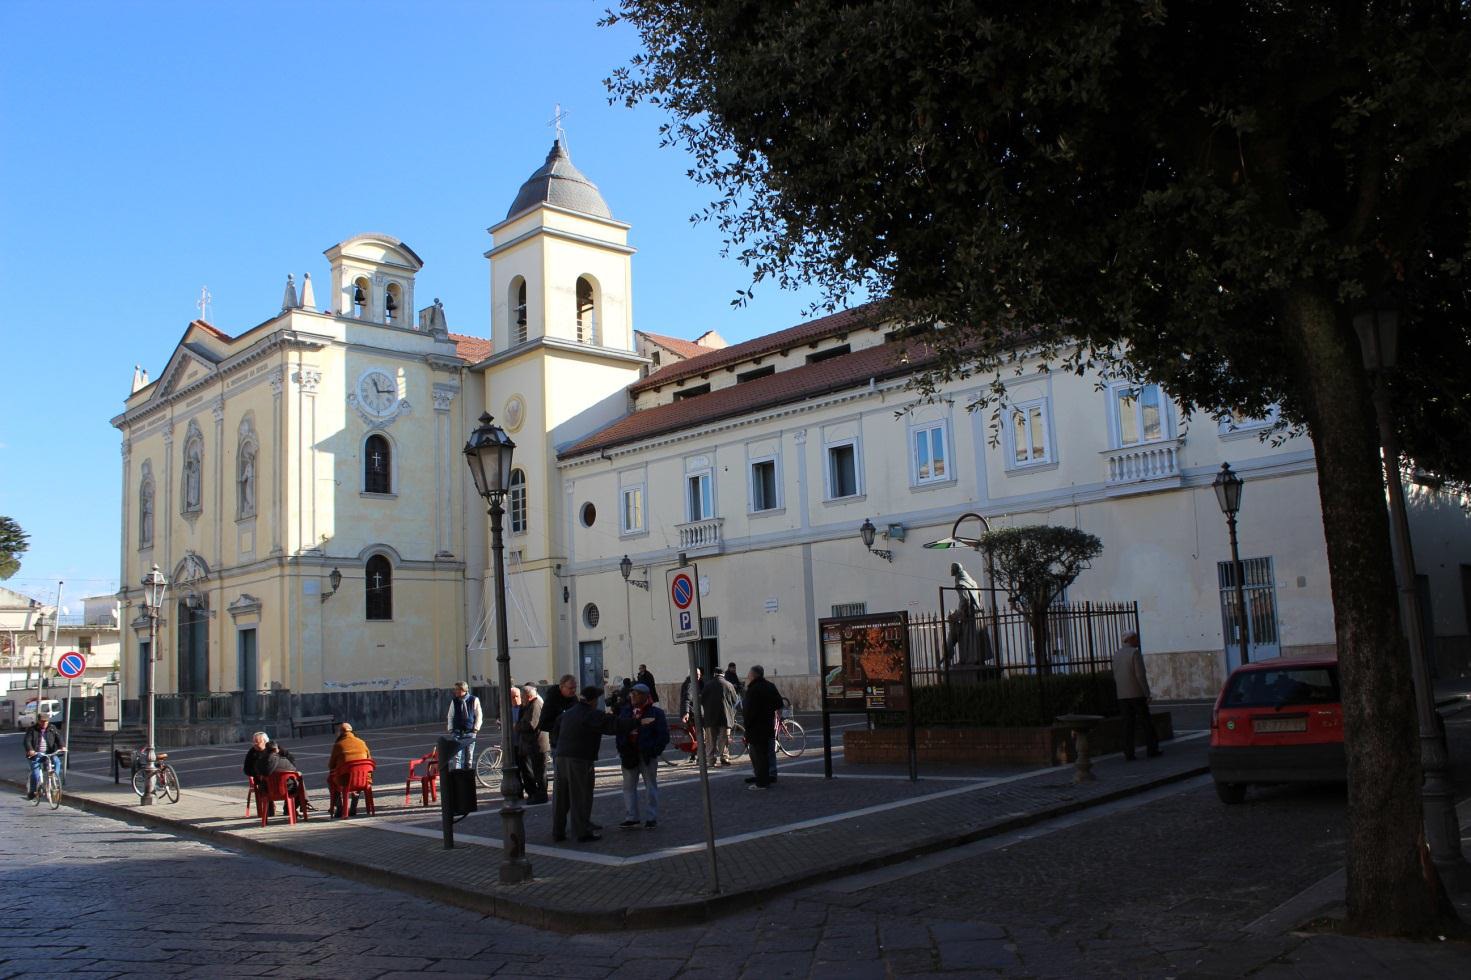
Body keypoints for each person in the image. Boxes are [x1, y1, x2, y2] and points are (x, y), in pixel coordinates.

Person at [551, 685, 615, 843]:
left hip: (561, 756)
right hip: (579, 759)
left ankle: (558, 832)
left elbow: (555, 729)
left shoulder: (570, 712)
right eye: (597, 699)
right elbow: (612, 726)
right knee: (581, 795)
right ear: (592, 700)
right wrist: (636, 723)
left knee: (561, 797)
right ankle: (581, 831)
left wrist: (557, 745)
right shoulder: (590, 714)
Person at [615, 683, 669, 829]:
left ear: (645, 696)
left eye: (636, 694)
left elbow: (663, 736)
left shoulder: (656, 713)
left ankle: (651, 817)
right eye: (631, 694)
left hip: (647, 755)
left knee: (650, 786)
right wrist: (622, 748)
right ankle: (631, 817)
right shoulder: (626, 711)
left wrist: (653, 750)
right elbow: (619, 730)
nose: (632, 696)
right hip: (629, 754)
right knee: (628, 787)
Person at [1112, 631, 1161, 760]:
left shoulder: (1116, 655)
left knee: (1128, 724)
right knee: (1146, 722)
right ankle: (1152, 749)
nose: (1137, 641)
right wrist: (1146, 693)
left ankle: (1129, 752)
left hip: (1122, 694)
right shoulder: (1135, 653)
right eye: (1136, 638)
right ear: (1131, 639)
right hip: (1136, 693)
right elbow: (1140, 675)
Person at [742, 665, 784, 790]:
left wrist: (747, 726)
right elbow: (779, 703)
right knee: (766, 753)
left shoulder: (753, 689)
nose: (748, 676)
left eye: (749, 674)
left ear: (754, 675)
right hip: (767, 725)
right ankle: (766, 776)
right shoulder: (770, 686)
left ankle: (762, 781)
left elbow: (749, 711)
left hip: (755, 728)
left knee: (758, 756)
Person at [327, 722, 373, 817]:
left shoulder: (338, 745)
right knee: (360, 774)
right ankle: (353, 807)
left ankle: (339, 808)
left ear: (340, 733)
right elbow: (370, 760)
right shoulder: (362, 742)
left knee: (330, 779)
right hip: (363, 780)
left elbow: (331, 765)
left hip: (345, 781)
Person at [517, 683, 551, 804]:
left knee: (539, 772)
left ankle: (541, 795)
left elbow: (531, 725)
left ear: (528, 696)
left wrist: (517, 726)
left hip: (537, 745)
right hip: (530, 744)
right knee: (530, 771)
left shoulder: (536, 705)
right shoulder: (528, 705)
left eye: (522, 696)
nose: (521, 698)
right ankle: (534, 794)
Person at [700, 669, 739, 766]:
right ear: (723, 674)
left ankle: (711, 760)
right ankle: (724, 758)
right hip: (725, 717)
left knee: (710, 740)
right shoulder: (729, 685)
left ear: (714, 674)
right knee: (724, 738)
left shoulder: (707, 685)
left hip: (710, 717)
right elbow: (735, 700)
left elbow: (702, 700)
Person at [261, 741, 311, 815]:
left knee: (263, 785)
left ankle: (276, 811)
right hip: (287, 790)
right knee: (298, 782)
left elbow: (257, 774)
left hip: (267, 791)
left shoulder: (261, 762)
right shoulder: (284, 761)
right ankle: (292, 807)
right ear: (276, 750)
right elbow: (294, 770)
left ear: (266, 750)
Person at [24, 713, 65, 800]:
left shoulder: (52, 728)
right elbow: (27, 741)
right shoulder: (32, 730)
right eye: (42, 721)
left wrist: (62, 746)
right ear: (38, 721)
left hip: (49, 752)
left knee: (57, 762)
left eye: (46, 721)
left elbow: (59, 738)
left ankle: (54, 777)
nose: (44, 723)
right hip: (36, 753)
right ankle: (33, 791)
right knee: (36, 773)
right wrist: (30, 750)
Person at [446, 681, 482, 771]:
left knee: (469, 757)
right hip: (457, 732)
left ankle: (467, 776)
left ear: (463, 690)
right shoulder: (454, 701)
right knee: (457, 757)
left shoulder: (474, 699)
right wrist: (450, 728)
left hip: (470, 732)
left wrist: (476, 728)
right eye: (455, 690)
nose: (455, 691)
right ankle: (457, 776)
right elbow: (450, 715)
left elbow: (479, 715)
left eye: (457, 689)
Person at [540, 674, 578, 753]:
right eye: (571, 688)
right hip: (559, 744)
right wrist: (563, 726)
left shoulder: (574, 699)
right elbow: (543, 724)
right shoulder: (552, 700)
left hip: (574, 743)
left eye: (575, 688)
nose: (574, 690)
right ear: (561, 687)